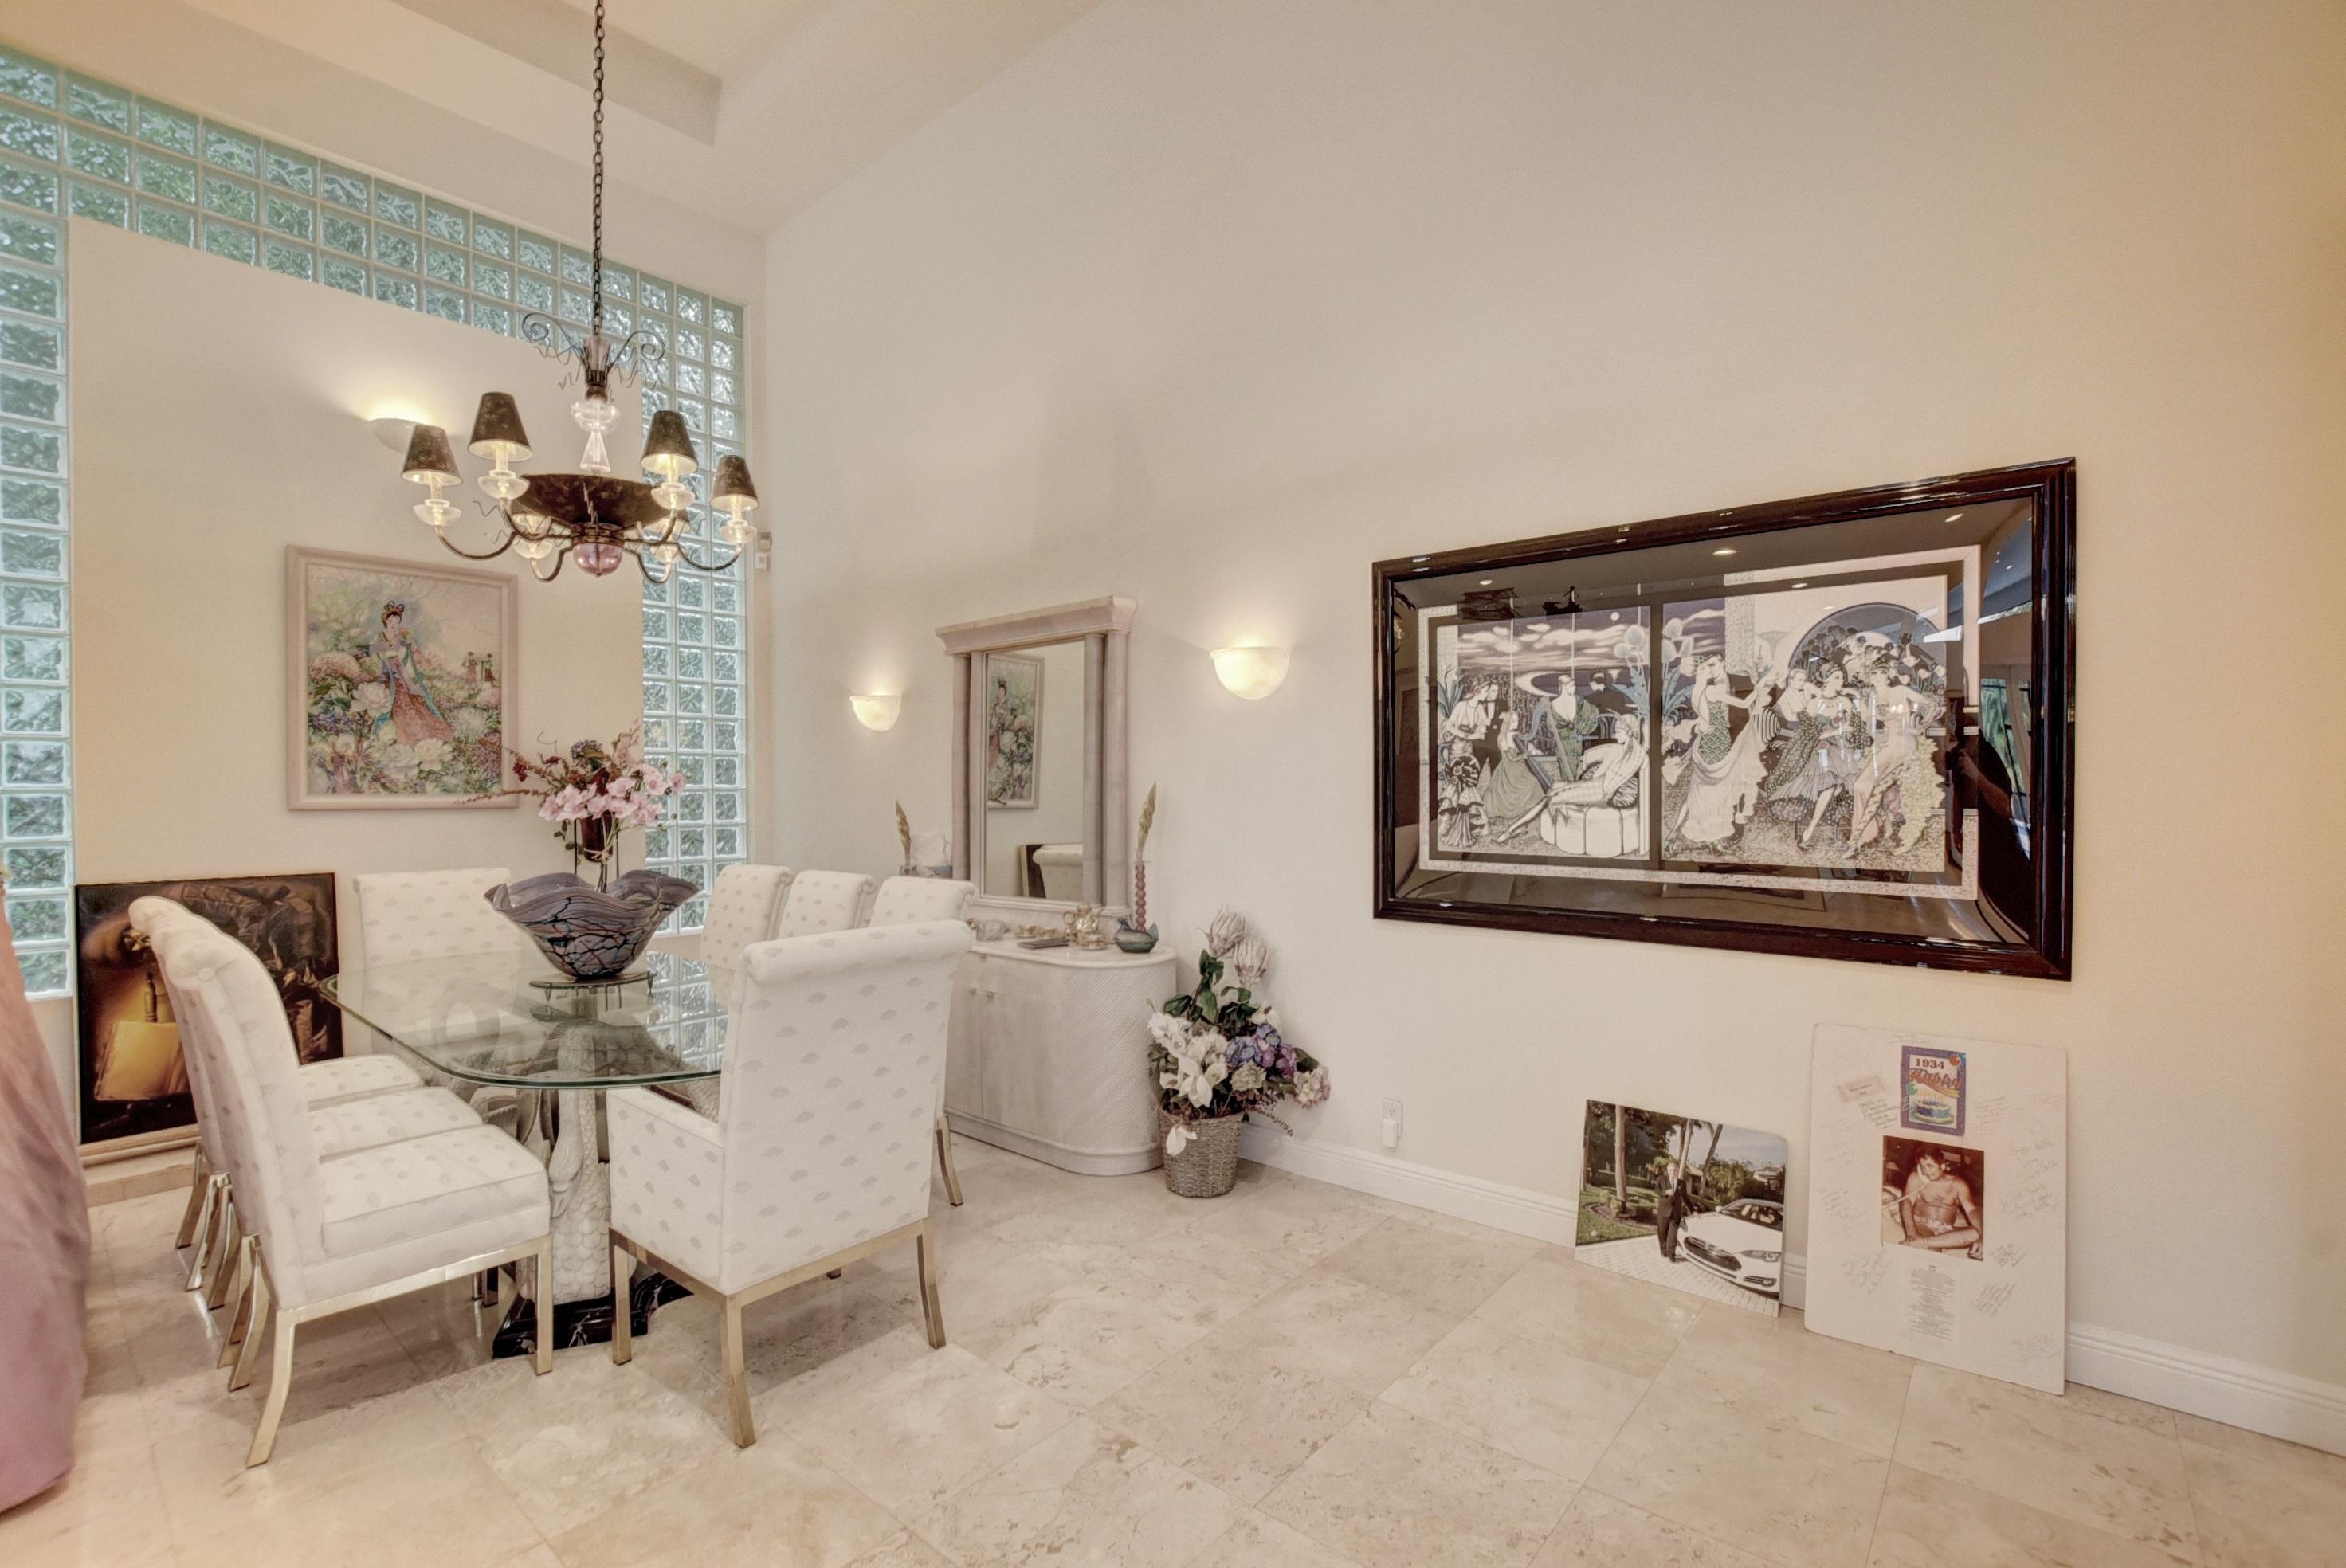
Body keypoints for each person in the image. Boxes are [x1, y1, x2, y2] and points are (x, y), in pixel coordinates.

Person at [1669, 656, 1774, 850]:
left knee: (1700, 790)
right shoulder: (1712, 689)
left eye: (1713, 665)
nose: (1710, 670)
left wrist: (1700, 727)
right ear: (1701, 672)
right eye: (1706, 667)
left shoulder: (1699, 691)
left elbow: (1705, 719)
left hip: (1714, 742)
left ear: (1723, 663)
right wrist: (1761, 685)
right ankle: (1713, 836)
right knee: (1718, 789)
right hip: (1719, 742)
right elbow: (1743, 704)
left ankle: (1675, 834)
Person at [369, 601, 455, 748]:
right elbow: (372, 651)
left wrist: (410, 645)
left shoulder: (401, 638)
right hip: (385, 675)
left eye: (397, 622)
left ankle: (419, 735)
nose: (394, 625)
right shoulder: (379, 637)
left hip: (400, 676)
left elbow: (411, 653)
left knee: (408, 703)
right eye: (392, 621)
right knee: (389, 704)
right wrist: (386, 652)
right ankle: (393, 737)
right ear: (386, 621)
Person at [1897, 1148, 1983, 1258]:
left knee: (1977, 1233)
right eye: (1922, 1166)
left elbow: (1972, 1210)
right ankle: (1925, 1243)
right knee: (1933, 1252)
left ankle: (1924, 1243)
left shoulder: (1958, 1184)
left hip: (1946, 1229)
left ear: (1942, 1166)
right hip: (1923, 1224)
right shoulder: (1916, 1178)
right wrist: (1912, 1233)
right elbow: (1906, 1202)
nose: (1925, 1171)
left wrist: (1983, 1236)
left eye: (1930, 1166)